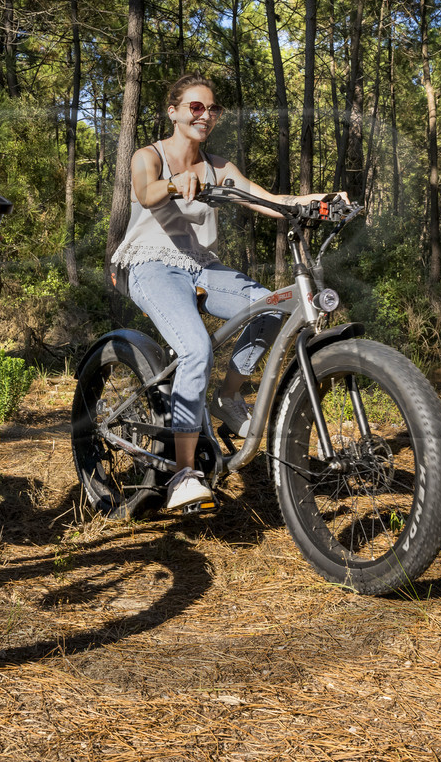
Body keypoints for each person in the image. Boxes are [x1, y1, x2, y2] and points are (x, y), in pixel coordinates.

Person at [110, 72, 341, 511]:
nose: (205, 115)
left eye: (212, 108)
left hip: (202, 267)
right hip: (150, 265)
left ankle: (228, 395)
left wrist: (324, 201)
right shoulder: (149, 155)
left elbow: (270, 200)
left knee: (274, 306)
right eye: (195, 107)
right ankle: (182, 474)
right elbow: (144, 189)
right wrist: (175, 184)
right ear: (174, 111)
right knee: (197, 350)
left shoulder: (219, 168)